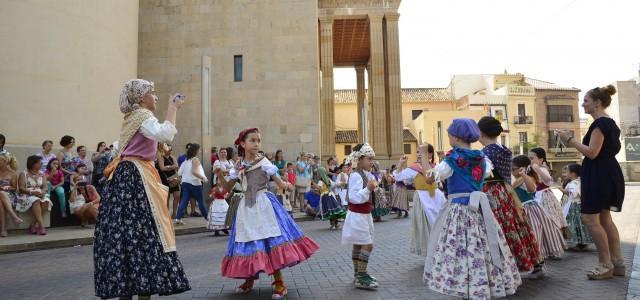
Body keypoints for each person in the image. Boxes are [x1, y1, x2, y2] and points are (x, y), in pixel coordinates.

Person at [93, 79, 190, 299]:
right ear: (139, 99)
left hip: (124, 177)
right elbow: (165, 134)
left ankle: (126, 286)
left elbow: (118, 147)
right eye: (151, 93)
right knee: (146, 231)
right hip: (137, 176)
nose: (155, 97)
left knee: (126, 235)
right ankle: (142, 286)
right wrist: (173, 108)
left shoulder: (130, 119)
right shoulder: (143, 117)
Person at [216, 128, 319, 299]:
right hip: (246, 207)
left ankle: (279, 283)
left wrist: (286, 185)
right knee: (249, 242)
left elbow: (278, 181)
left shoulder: (263, 162)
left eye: (258, 141)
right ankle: (249, 279)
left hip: (264, 204)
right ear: (243, 143)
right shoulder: (238, 164)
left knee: (270, 240)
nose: (256, 144)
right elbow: (227, 188)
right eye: (253, 140)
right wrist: (220, 175)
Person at [423, 119, 521, 299]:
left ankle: (465, 288)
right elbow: (487, 174)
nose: (449, 138)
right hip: (479, 211)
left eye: (449, 135)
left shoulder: (452, 160)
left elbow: (430, 179)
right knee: (481, 247)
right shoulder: (482, 159)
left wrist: (423, 156)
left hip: (459, 211)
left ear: (457, 137)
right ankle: (481, 286)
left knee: (460, 249)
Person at [556, 84, 625, 279]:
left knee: (590, 219)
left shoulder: (600, 124)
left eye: (585, 101)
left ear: (597, 103)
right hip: (609, 172)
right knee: (605, 219)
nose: (582, 104)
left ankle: (605, 265)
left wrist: (569, 140)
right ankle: (617, 263)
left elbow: (592, 152)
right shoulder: (610, 123)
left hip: (599, 174)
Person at [477, 116, 541, 273]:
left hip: (490, 191)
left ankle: (504, 266)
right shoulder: (503, 150)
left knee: (497, 227)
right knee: (513, 225)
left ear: (481, 133)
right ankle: (529, 259)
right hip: (505, 192)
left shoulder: (484, 153)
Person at [512, 155, 564, 277]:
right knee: (528, 238)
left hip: (530, 210)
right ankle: (534, 264)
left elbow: (531, 189)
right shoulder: (516, 180)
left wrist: (524, 175)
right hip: (521, 210)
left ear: (522, 168)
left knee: (535, 236)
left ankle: (538, 266)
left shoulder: (527, 178)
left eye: (513, 169)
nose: (512, 171)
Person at [341, 143, 381, 290]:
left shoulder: (365, 174)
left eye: (372, 159)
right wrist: (368, 189)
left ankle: (358, 273)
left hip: (364, 214)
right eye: (369, 159)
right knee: (367, 244)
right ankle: (361, 275)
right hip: (358, 214)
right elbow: (353, 198)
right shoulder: (356, 175)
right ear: (360, 159)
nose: (371, 162)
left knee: (358, 244)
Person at [394, 145, 447, 256]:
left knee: (441, 223)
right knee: (426, 225)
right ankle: (431, 252)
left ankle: (442, 249)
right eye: (417, 152)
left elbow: (445, 175)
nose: (419, 154)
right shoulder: (413, 169)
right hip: (423, 199)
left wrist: (443, 158)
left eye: (422, 152)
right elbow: (398, 177)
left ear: (430, 155)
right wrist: (400, 163)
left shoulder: (435, 167)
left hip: (436, 197)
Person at [528, 148, 568, 236]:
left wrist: (537, 169)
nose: (530, 161)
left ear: (541, 159)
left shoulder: (542, 169)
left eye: (532, 158)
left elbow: (548, 180)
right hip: (536, 196)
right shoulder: (529, 169)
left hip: (545, 196)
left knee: (550, 217)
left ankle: (557, 238)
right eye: (529, 159)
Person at [17, 155, 53, 236]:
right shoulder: (24, 174)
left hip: (39, 194)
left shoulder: (42, 174)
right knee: (35, 200)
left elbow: (45, 187)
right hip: (27, 195)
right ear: (33, 164)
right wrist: (33, 192)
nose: (41, 165)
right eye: (40, 163)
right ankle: (41, 226)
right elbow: (21, 188)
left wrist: (42, 192)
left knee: (46, 201)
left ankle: (33, 225)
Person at [175, 143, 209, 225]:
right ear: (196, 150)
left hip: (185, 183)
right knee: (201, 201)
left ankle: (178, 219)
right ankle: (208, 218)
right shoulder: (195, 160)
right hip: (195, 183)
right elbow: (194, 172)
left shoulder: (186, 161)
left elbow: (179, 173)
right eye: (199, 149)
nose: (200, 151)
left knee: (184, 201)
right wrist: (203, 178)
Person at [561, 163, 592, 250]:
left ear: (573, 173)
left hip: (574, 206)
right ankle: (581, 242)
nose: (564, 174)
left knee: (573, 223)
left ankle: (577, 241)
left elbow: (573, 194)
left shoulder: (574, 183)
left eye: (566, 172)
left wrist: (562, 190)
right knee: (579, 224)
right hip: (578, 205)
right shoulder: (579, 181)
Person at [0, 153, 23, 237]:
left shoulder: (13, 174)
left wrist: (7, 187)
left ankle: (3, 229)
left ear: (6, 162)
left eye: (0, 161)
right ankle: (13, 216)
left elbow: (14, 188)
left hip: (9, 195)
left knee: (1, 197)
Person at [156, 142, 180, 218]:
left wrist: (169, 167)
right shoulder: (161, 157)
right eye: (168, 149)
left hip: (173, 178)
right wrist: (172, 166)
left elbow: (176, 166)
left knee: (177, 195)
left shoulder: (172, 157)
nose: (170, 150)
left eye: (170, 149)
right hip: (164, 178)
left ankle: (174, 213)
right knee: (167, 196)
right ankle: (166, 213)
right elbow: (162, 168)